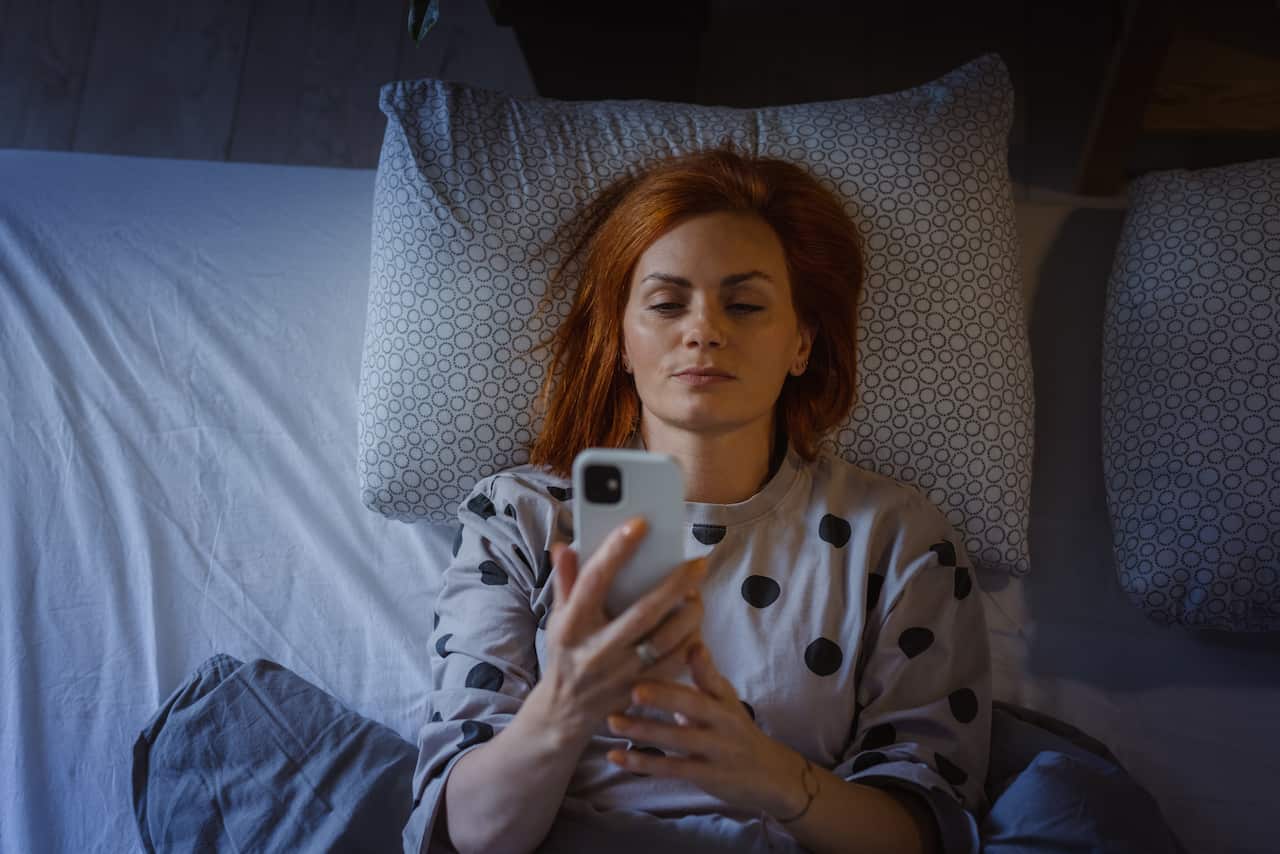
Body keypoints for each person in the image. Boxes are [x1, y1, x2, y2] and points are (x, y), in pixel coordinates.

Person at [405, 142, 992, 854]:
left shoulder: (896, 536)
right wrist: (563, 707)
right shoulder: (519, 517)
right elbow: (468, 833)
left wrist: (773, 778)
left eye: (744, 304)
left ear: (801, 343)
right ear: (621, 341)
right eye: (665, 303)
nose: (704, 330)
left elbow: (927, 832)